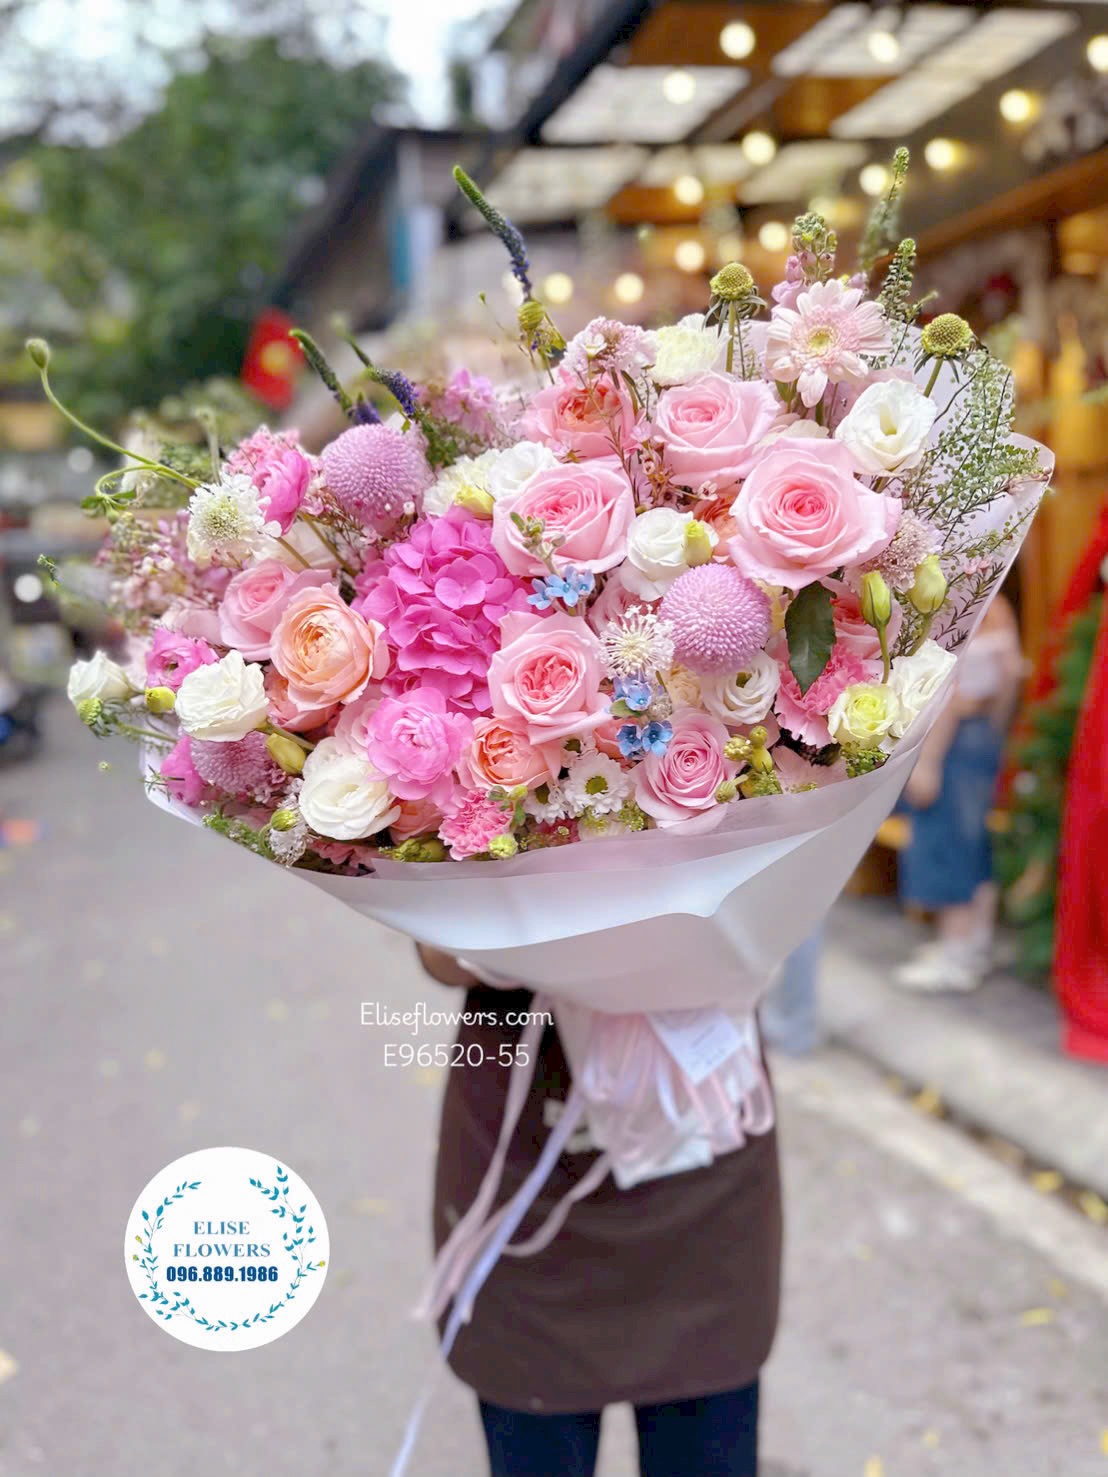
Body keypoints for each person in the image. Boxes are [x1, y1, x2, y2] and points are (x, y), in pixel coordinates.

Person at [417, 944, 780, 1477]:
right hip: (531, 1162)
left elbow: (776, 925)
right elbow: (437, 955)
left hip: (702, 1131)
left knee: (707, 1439)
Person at [895, 595, 1024, 992]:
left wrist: (928, 763)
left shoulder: (956, 601)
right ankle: (974, 943)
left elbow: (944, 694)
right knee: (973, 841)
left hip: (949, 740)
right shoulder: (1000, 606)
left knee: (947, 842)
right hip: (981, 732)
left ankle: (955, 955)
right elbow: (1012, 674)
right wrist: (994, 725)